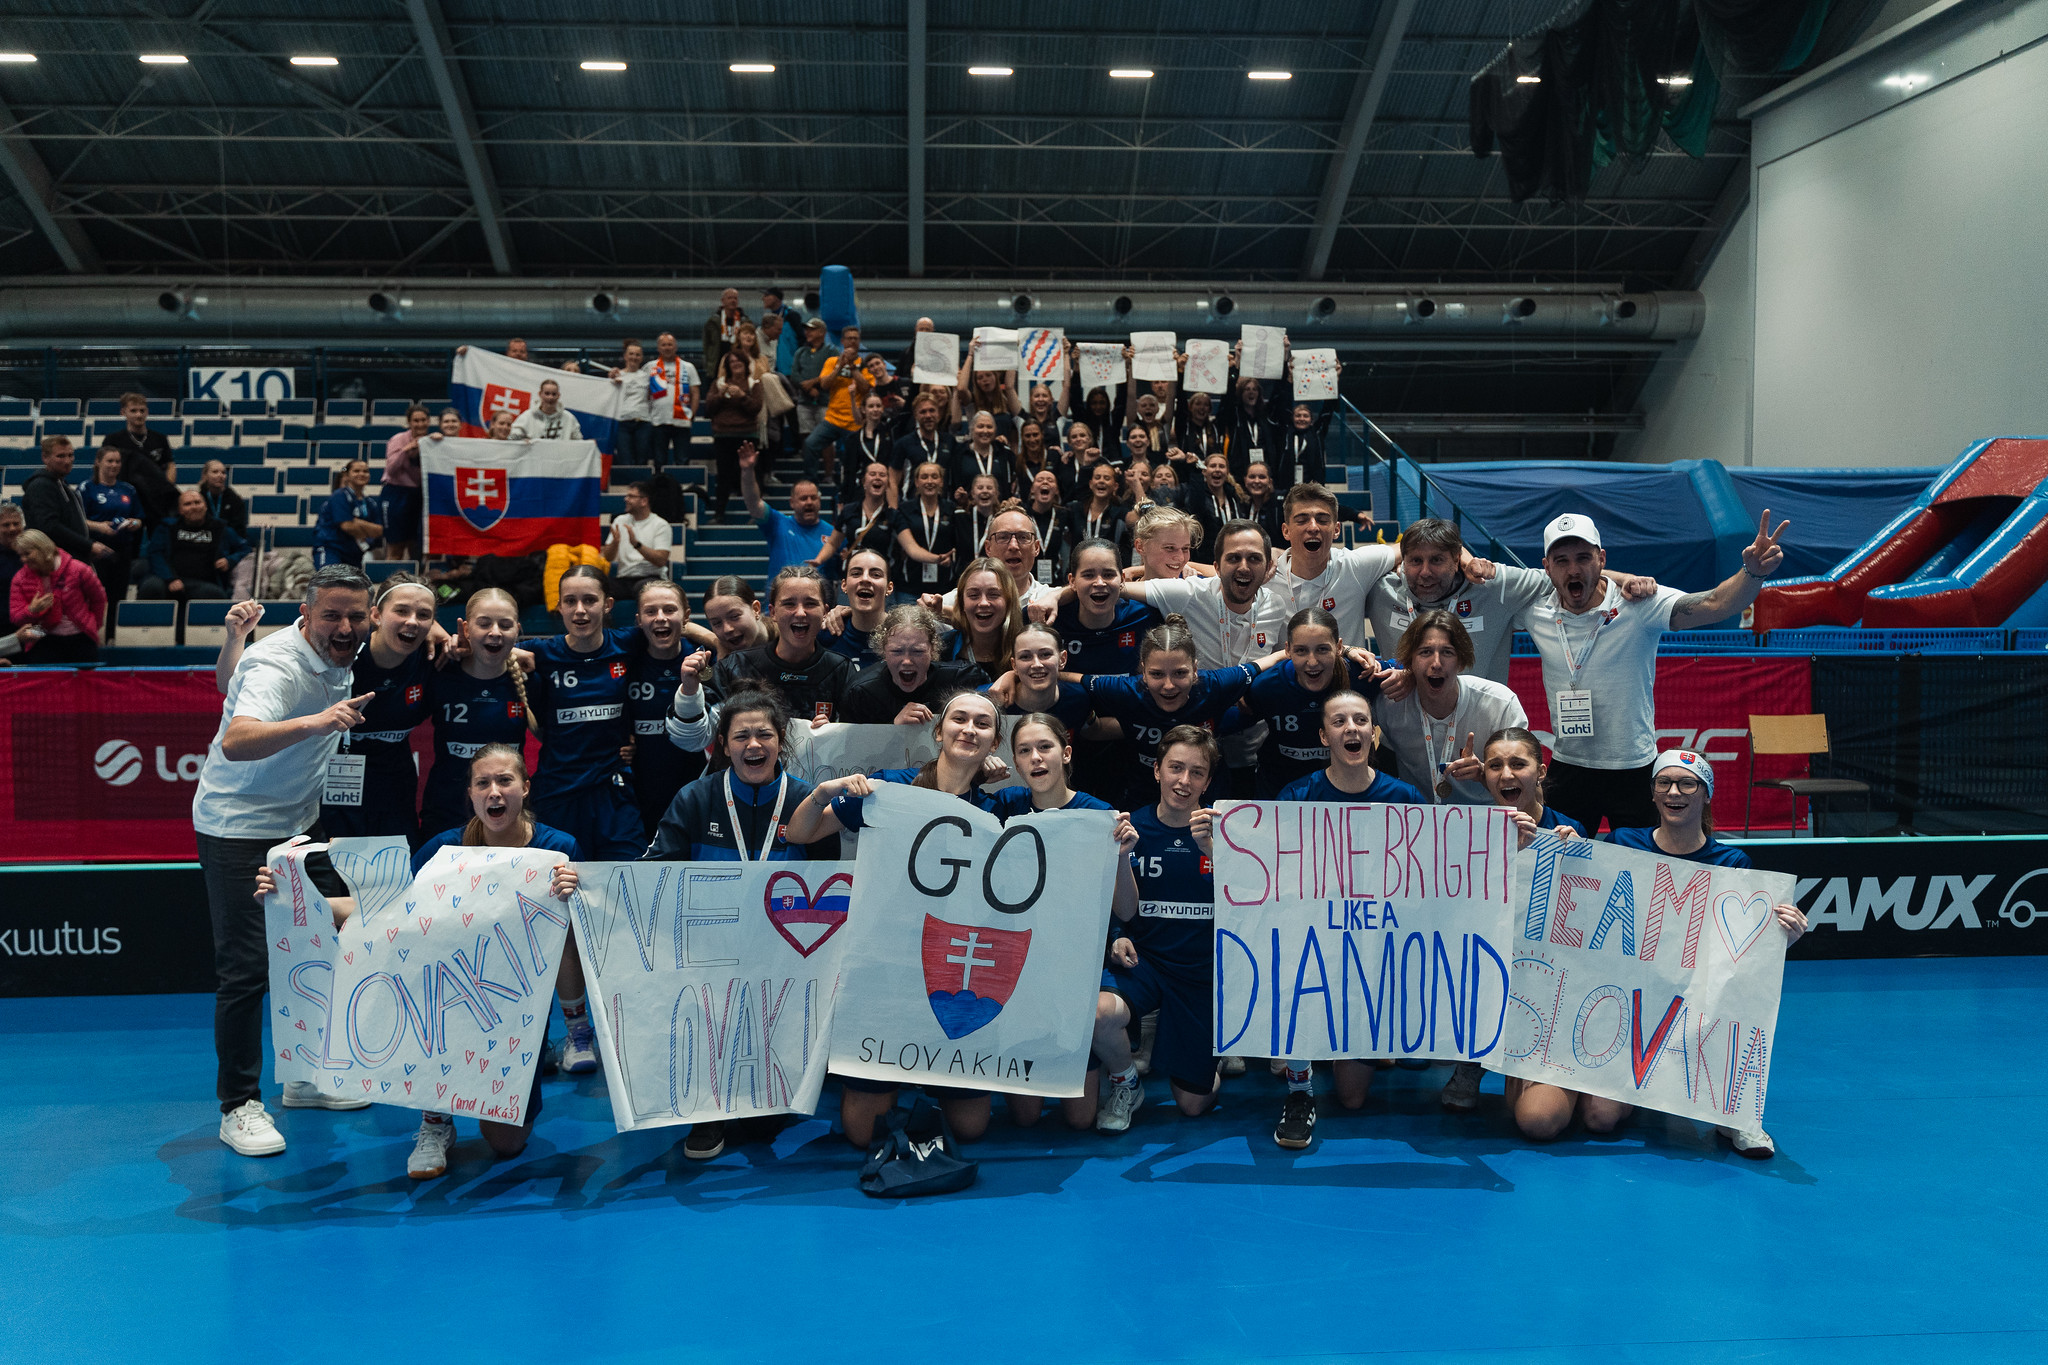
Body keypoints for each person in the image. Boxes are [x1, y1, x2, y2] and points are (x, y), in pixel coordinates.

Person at [254, 744, 582, 1178]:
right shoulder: (443, 851)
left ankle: (577, 1032)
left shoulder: (558, 850)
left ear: (525, 787)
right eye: (482, 783)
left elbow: (584, 932)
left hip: (511, 1007)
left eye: (505, 781)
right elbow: (383, 911)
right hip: (444, 995)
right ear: (470, 794)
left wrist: (576, 896)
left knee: (506, 1144)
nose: (494, 791)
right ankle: (435, 1120)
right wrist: (297, 900)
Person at [783, 690, 1037, 1147]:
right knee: (863, 1135)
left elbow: (1064, 808)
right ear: (939, 731)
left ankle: (931, 1091)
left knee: (971, 1129)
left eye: (982, 724)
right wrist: (822, 793)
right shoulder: (889, 788)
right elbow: (801, 833)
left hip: (957, 967)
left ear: (994, 743)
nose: (969, 729)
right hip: (889, 964)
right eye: (959, 719)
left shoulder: (1001, 807)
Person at [1534, 749, 1808, 1158]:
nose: (1674, 792)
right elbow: (1590, 911)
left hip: (1692, 1000)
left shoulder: (1732, 862)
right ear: (1652, 793)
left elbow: (1740, 950)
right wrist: (1568, 855)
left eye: (1687, 784)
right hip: (1627, 1002)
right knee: (1600, 1119)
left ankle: (1736, 1114)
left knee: (1737, 997)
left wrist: (1783, 938)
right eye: (1664, 782)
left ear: (1707, 794)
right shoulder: (1623, 843)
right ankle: (1650, 1085)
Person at [191, 564, 376, 1156]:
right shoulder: (279, 663)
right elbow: (236, 740)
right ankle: (238, 1106)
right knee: (246, 969)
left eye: (355, 616)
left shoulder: (343, 651)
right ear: (306, 615)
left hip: (299, 825)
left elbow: (230, 683)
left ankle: (305, 1076)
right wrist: (316, 723)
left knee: (322, 945)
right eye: (331, 616)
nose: (344, 627)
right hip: (239, 828)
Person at [641, 684, 841, 1158]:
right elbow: (652, 871)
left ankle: (765, 1084)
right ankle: (705, 1110)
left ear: (780, 741)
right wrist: (588, 884)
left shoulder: (805, 800)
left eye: (764, 735)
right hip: (711, 948)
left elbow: (830, 880)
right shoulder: (695, 798)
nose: (754, 745)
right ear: (723, 744)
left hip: (783, 947)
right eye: (741, 736)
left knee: (765, 1119)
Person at [1522, 511, 1789, 834]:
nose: (1574, 569)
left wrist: (1753, 573)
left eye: (1583, 557)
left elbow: (1716, 604)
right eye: (1562, 560)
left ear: (1601, 559)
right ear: (1547, 567)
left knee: (1642, 863)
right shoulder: (1534, 608)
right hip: (1569, 767)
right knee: (1561, 859)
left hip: (1634, 768)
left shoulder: (1640, 604)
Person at [1267, 689, 1429, 1147]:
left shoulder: (1404, 797)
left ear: (1374, 734)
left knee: (1353, 1098)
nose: (1350, 728)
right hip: (1312, 940)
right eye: (1338, 722)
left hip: (1375, 948)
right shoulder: (1297, 795)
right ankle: (1299, 1091)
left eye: (1360, 720)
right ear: (1324, 736)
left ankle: (1370, 1038)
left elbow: (1429, 878)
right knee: (1291, 967)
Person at [1003, 713, 1139, 1132]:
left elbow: (1126, 910)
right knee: (1025, 1119)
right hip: (1022, 962)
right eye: (1024, 750)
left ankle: (1125, 1077)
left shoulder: (1099, 816)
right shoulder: (1005, 806)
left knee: (1080, 1121)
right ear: (1015, 762)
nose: (1035, 757)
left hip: (1079, 964)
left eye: (1044, 747)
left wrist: (1121, 859)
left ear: (1065, 753)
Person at [1092, 726, 1223, 1133]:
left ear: (1208, 782)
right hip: (1146, 962)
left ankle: (1211, 1054)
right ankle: (1126, 1084)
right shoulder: (1132, 828)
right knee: (1096, 1015)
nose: (1184, 781)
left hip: (1201, 971)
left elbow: (1251, 905)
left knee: (1193, 1105)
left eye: (1197, 773)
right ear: (1156, 770)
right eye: (1176, 768)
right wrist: (1120, 860)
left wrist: (1216, 853)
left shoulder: (1226, 832)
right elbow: (1125, 909)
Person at [1103, 521, 1292, 796]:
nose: (1243, 567)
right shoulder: (1188, 593)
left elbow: (1289, 654)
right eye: (1233, 558)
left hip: (1255, 750)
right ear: (1216, 566)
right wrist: (1058, 595)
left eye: (1254, 559)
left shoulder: (1275, 605)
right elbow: (1108, 587)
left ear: (1268, 568)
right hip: (1196, 754)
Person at [1369, 518, 1650, 690]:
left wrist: (1625, 579)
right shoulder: (1381, 590)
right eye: (1415, 561)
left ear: (1456, 559)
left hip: (1479, 729)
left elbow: (1564, 574)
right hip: (1401, 734)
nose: (1425, 572)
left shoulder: (1494, 586)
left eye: (1436, 560)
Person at [1076, 615, 1283, 809]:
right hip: (1143, 794)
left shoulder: (1215, 685)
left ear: (1195, 670)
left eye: (1180, 673)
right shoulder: (1126, 690)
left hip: (1208, 796)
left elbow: (1268, 662)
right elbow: (1071, 680)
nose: (1168, 685)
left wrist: (1253, 693)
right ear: (1143, 672)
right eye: (1157, 674)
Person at [669, 564, 856, 745]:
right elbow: (692, 739)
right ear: (773, 612)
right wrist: (689, 693)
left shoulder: (840, 669)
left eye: (810, 603)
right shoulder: (734, 667)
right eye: (789, 604)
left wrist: (835, 734)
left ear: (825, 612)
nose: (800, 612)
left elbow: (857, 742)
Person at [317, 574, 437, 837]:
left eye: (423, 615)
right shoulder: (341, 655)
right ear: (376, 615)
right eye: (401, 611)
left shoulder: (433, 660)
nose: (412, 621)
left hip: (395, 791)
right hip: (334, 791)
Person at [419, 586, 534, 840]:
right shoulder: (441, 671)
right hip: (445, 817)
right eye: (484, 624)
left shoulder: (530, 679)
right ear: (466, 629)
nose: (495, 632)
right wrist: (435, 630)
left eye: (505, 625)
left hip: (505, 820)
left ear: (517, 630)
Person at [1378, 610, 1527, 803]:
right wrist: (1349, 650)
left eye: (1447, 652)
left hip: (1486, 816)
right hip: (1418, 815)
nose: (1436, 663)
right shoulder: (1391, 702)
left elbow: (1531, 787)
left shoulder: (1500, 705)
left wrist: (1484, 773)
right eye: (1425, 652)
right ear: (1410, 661)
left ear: (1461, 662)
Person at [1238, 606, 1382, 798]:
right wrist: (1235, 694)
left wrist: (1403, 676)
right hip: (1280, 794)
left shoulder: (1364, 674)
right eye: (1301, 651)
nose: (1312, 662)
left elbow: (1410, 667)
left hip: (1349, 794)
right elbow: (1234, 718)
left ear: (1339, 647)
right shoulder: (1267, 686)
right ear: (1287, 650)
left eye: (1322, 649)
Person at [624, 579, 705, 837]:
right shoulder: (626, 662)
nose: (660, 618)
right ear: (639, 620)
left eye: (669, 610)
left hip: (693, 787)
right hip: (638, 792)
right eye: (651, 611)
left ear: (686, 615)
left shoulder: (704, 659)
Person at [838, 604, 988, 723]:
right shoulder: (860, 693)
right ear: (883, 651)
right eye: (897, 651)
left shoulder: (962, 678)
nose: (907, 661)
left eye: (917, 651)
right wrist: (893, 728)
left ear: (932, 649)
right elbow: (850, 747)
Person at [8, 528, 106, 663]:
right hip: (42, 636)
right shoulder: (20, 578)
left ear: (42, 549)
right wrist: (32, 610)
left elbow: (99, 599)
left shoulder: (78, 569)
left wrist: (94, 625)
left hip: (80, 635)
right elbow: (15, 617)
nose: (23, 559)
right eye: (20, 555)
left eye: (27, 553)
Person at [737, 442, 831, 582]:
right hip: (779, 595)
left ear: (820, 500)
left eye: (813, 498)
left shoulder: (833, 534)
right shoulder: (777, 523)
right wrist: (747, 471)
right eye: (803, 498)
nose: (809, 502)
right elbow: (753, 502)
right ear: (792, 502)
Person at [805, 325, 888, 485]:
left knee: (850, 456)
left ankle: (849, 486)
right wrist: (840, 365)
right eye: (849, 338)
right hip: (832, 419)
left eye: (855, 338)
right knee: (810, 444)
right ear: (842, 341)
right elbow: (824, 384)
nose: (852, 341)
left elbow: (865, 388)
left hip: (854, 422)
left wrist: (852, 367)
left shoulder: (865, 365)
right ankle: (811, 483)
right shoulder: (832, 361)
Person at [139, 487, 250, 603]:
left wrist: (229, 560)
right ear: (180, 510)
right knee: (151, 587)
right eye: (187, 504)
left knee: (214, 594)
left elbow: (245, 548)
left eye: (197, 502)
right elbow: (155, 554)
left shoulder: (220, 528)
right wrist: (170, 579)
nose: (194, 507)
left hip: (202, 582)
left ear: (205, 506)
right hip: (166, 578)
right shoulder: (167, 527)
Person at [21, 437, 107, 581]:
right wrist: (88, 545)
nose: (67, 461)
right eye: (60, 456)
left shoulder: (61, 485)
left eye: (70, 455)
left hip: (70, 562)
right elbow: (50, 526)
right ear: (45, 458)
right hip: (57, 567)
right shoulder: (41, 487)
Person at [989, 620, 1094, 734]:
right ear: (1014, 665)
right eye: (1025, 657)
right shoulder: (989, 700)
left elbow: (1095, 732)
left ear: (1062, 659)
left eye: (1045, 654)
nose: (1036, 664)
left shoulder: (1078, 698)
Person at [80, 442, 141, 627]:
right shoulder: (87, 488)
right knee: (96, 593)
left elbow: (139, 519)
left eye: (117, 461)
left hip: (123, 548)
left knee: (118, 593)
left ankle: (113, 633)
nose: (114, 465)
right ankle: (94, 630)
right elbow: (77, 519)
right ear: (98, 462)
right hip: (97, 549)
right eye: (110, 461)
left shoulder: (128, 489)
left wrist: (134, 523)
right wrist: (99, 526)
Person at [701, 352, 764, 524]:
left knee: (751, 476)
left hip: (747, 434)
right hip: (723, 435)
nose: (736, 364)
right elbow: (708, 408)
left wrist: (742, 396)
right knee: (723, 477)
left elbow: (756, 408)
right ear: (727, 366)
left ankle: (756, 514)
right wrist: (721, 395)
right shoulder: (719, 384)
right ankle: (719, 514)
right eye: (732, 361)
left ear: (745, 364)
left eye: (739, 361)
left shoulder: (754, 384)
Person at [104, 391, 178, 527]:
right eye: (133, 411)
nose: (138, 414)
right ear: (123, 412)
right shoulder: (113, 440)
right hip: (126, 498)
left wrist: (165, 487)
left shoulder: (160, 438)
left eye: (142, 410)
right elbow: (105, 468)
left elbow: (170, 465)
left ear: (147, 412)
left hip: (154, 500)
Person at [941, 558, 1023, 677]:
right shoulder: (941, 649)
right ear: (962, 603)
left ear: (1009, 601)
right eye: (974, 595)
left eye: (993, 594)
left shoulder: (1027, 649)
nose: (983, 603)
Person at [893, 460, 962, 596]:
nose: (929, 481)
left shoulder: (951, 509)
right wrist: (937, 558)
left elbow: (958, 543)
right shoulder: (905, 509)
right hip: (910, 587)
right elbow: (910, 548)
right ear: (916, 482)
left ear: (941, 481)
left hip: (944, 588)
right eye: (924, 477)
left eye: (934, 477)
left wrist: (952, 556)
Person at [821, 547, 893, 666]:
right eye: (856, 574)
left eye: (876, 575)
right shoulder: (828, 633)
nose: (865, 579)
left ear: (889, 588)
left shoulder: (903, 634)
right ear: (844, 585)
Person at [643, 331, 701, 474]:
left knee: (683, 461)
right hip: (658, 421)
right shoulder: (650, 367)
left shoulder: (688, 367)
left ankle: (682, 487)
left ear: (676, 347)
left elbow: (695, 393)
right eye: (663, 345)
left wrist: (692, 415)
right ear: (658, 348)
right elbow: (644, 392)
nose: (667, 348)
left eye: (670, 344)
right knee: (659, 461)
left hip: (682, 421)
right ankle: (659, 487)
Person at [381, 404, 430, 560]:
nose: (420, 424)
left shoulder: (431, 441)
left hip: (419, 495)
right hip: (396, 493)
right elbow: (391, 470)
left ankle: (414, 575)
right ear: (409, 422)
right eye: (416, 420)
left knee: (415, 546)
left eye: (423, 420)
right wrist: (406, 449)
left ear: (429, 421)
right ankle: (390, 575)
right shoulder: (398, 439)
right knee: (396, 546)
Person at [312, 459, 382, 569]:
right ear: (347, 475)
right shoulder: (339, 496)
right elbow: (347, 526)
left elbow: (379, 531)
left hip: (354, 554)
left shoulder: (370, 503)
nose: (361, 474)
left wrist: (356, 522)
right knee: (330, 578)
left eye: (365, 471)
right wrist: (366, 529)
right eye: (356, 471)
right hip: (331, 549)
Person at [605, 481, 673, 592]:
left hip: (651, 577)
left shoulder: (660, 525)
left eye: (631, 496)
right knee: (600, 586)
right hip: (624, 578)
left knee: (643, 587)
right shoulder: (620, 520)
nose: (626, 499)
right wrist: (615, 543)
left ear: (644, 501)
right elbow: (608, 557)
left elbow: (661, 560)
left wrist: (636, 545)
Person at [891, 392, 955, 505]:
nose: (928, 415)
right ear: (915, 415)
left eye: (932, 410)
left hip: (942, 506)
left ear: (938, 413)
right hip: (911, 506)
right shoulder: (904, 443)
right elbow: (892, 480)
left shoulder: (949, 441)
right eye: (923, 412)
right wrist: (893, 509)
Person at [1065, 462, 1132, 567]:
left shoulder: (1119, 512)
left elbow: (1138, 520)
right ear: (1091, 484)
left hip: (1107, 569)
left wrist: (1136, 484)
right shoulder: (1075, 510)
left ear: (1115, 486)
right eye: (1097, 477)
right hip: (1078, 570)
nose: (1101, 481)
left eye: (1106, 478)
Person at [835, 392, 895, 508]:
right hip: (860, 491)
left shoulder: (891, 434)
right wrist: (844, 497)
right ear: (863, 409)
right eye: (871, 406)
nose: (875, 409)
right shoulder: (853, 439)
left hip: (885, 490)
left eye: (878, 406)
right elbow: (849, 470)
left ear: (883, 409)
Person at [950, 409, 1015, 507]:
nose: (985, 431)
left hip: (999, 510)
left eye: (989, 427)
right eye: (980, 426)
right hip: (969, 511)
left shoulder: (1004, 453)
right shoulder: (959, 454)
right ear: (972, 429)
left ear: (995, 430)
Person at [697, 574, 770, 661]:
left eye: (734, 616)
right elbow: (686, 627)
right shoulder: (714, 655)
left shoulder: (783, 639)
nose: (727, 629)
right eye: (717, 623)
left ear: (755, 609)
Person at [789, 317, 832, 458]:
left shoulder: (831, 351)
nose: (807, 332)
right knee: (806, 436)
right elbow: (794, 374)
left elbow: (835, 372)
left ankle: (828, 470)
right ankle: (809, 467)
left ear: (822, 332)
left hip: (825, 401)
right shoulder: (801, 352)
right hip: (804, 401)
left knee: (826, 438)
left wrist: (814, 382)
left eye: (811, 329)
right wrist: (807, 388)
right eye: (806, 329)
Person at [606, 338, 652, 467]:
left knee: (642, 461)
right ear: (625, 356)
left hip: (643, 422)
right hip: (622, 423)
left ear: (641, 358)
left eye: (637, 354)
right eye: (631, 354)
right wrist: (610, 380)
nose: (634, 357)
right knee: (625, 460)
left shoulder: (647, 376)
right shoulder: (616, 375)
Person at [509, 378, 582, 442]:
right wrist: (522, 442)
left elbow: (579, 442)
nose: (550, 397)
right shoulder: (527, 416)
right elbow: (512, 437)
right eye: (547, 393)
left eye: (554, 394)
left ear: (558, 395)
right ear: (540, 394)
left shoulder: (569, 418)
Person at [196, 458, 249, 538]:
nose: (220, 476)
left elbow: (240, 530)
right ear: (205, 476)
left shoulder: (235, 500)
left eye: (223, 473)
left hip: (228, 540)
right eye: (215, 472)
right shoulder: (198, 499)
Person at [702, 286, 748, 377]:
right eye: (730, 298)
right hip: (717, 364)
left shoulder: (744, 321)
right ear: (723, 301)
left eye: (735, 298)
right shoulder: (713, 322)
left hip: (739, 363)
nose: (733, 301)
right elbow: (707, 344)